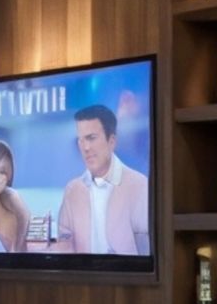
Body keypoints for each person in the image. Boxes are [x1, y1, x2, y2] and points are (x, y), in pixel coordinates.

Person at [55, 104, 149, 255]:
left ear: (111, 141)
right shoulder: (73, 190)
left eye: (91, 138)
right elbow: (64, 244)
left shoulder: (139, 186)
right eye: (80, 140)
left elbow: (148, 253)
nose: (85, 147)